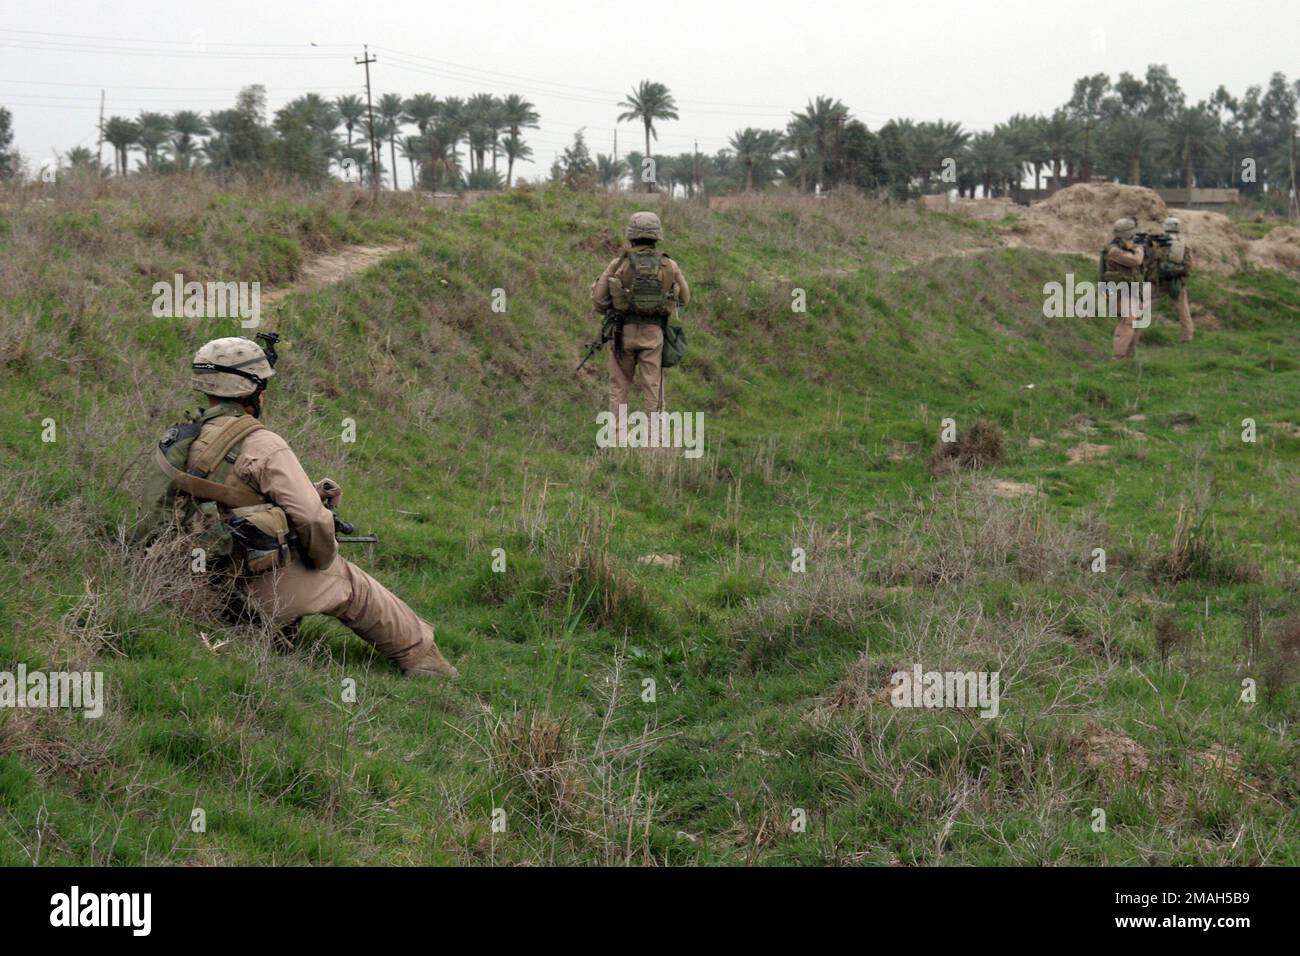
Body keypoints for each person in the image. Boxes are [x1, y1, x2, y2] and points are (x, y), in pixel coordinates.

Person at [140, 336, 457, 678]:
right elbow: (311, 518)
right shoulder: (262, 444)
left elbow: (211, 499)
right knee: (349, 582)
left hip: (178, 579)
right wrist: (323, 556)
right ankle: (425, 662)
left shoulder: (182, 437)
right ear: (255, 391)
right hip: (238, 586)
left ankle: (264, 630)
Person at [590, 211, 690, 442]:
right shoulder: (669, 265)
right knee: (653, 389)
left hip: (622, 334)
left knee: (619, 387)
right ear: (657, 236)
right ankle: (655, 444)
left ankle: (616, 440)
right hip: (654, 335)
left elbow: (598, 301)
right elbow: (684, 299)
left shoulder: (619, 263)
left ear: (631, 235)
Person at [1102, 217, 1146, 360]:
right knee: (1128, 321)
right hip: (1120, 292)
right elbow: (1135, 261)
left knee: (1137, 321)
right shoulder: (1114, 251)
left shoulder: (1124, 247)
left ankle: (1129, 358)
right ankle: (1118, 357)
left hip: (1132, 290)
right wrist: (1140, 249)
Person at [1158, 216, 1194, 342]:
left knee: (1143, 303)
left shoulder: (1160, 241)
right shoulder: (1183, 242)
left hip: (1160, 279)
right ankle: (1187, 336)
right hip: (1177, 280)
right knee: (1183, 309)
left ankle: (1135, 333)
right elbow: (1189, 263)